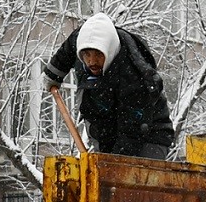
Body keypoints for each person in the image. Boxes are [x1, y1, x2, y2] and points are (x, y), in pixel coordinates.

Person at [41, 12, 175, 160]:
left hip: (149, 135)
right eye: (87, 55)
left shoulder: (134, 78)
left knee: (133, 176)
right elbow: (69, 47)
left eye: (98, 55)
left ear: (109, 50)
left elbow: (131, 133)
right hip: (106, 124)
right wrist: (53, 74)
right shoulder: (84, 40)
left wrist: (112, 166)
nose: (92, 62)